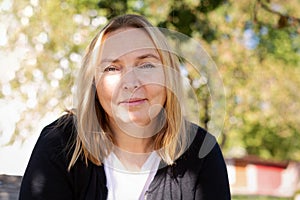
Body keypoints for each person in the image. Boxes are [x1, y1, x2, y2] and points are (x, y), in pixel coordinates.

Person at [19, 14, 231, 200]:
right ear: (93, 82)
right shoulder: (61, 143)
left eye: (146, 64)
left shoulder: (201, 151)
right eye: (112, 68)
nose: (130, 82)